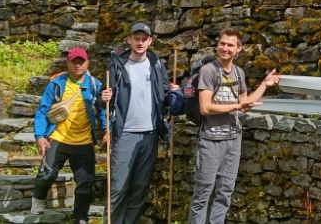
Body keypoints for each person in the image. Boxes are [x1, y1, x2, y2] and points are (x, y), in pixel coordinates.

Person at [189, 28, 280, 224]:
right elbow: (205, 107)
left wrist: (264, 84)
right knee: (202, 193)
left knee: (224, 193)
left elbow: (245, 106)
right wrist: (238, 105)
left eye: (230, 45)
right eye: (222, 43)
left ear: (239, 49)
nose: (225, 48)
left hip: (233, 141)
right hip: (211, 140)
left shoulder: (239, 73)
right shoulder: (208, 71)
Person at [99, 22, 180, 224]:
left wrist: (174, 91)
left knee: (140, 187)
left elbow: (164, 95)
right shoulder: (117, 63)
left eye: (144, 39)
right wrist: (104, 98)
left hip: (150, 133)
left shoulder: (156, 63)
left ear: (150, 41)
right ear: (129, 40)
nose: (140, 42)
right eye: (136, 38)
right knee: (118, 186)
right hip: (124, 132)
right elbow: (101, 100)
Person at [32, 47, 106, 224]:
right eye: (74, 61)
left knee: (85, 182)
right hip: (58, 137)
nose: (78, 64)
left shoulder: (95, 85)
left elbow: (103, 109)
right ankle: (38, 198)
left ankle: (80, 217)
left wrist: (106, 130)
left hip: (84, 141)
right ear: (68, 63)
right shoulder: (57, 84)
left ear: (87, 63)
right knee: (47, 174)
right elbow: (42, 111)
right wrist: (40, 136)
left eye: (82, 61)